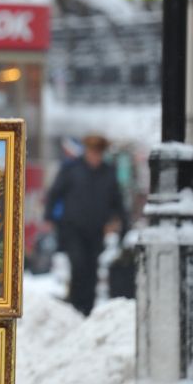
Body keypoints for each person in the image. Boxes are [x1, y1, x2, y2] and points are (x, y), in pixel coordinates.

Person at [44, 133, 129, 316]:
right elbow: (55, 193)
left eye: (98, 152)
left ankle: (87, 309)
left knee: (92, 269)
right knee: (78, 264)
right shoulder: (72, 169)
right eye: (92, 152)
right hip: (72, 228)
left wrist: (123, 224)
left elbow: (117, 201)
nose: (95, 156)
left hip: (96, 230)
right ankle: (75, 305)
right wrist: (50, 217)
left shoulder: (109, 173)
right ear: (87, 151)